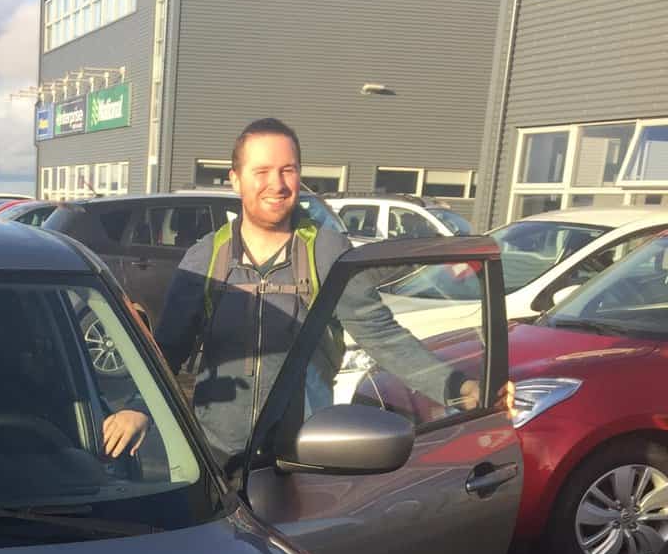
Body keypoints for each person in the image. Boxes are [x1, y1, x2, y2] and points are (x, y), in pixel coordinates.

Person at [103, 117, 481, 468]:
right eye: (262, 171)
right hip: (220, 457)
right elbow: (166, 351)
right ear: (235, 179)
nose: (277, 184)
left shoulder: (328, 253)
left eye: (288, 169)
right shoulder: (206, 258)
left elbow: (382, 336)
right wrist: (140, 407)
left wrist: (458, 388)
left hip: (303, 457)